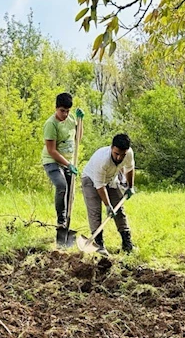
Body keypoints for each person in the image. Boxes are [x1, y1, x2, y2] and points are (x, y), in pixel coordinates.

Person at [80, 133, 136, 255]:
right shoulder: (102, 160)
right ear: (111, 148)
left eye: (122, 154)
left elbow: (129, 168)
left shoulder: (129, 153)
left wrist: (130, 187)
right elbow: (99, 186)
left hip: (110, 179)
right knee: (95, 211)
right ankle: (99, 244)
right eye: (116, 154)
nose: (119, 158)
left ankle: (127, 243)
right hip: (90, 179)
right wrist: (107, 205)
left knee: (119, 209)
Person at [41, 92, 84, 246]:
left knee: (71, 193)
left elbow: (78, 138)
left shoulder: (72, 119)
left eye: (67, 111)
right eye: (62, 111)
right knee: (61, 186)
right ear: (56, 108)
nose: (65, 114)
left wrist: (81, 121)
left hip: (68, 162)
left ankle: (67, 226)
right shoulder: (51, 124)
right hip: (52, 161)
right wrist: (68, 164)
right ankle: (61, 221)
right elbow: (52, 150)